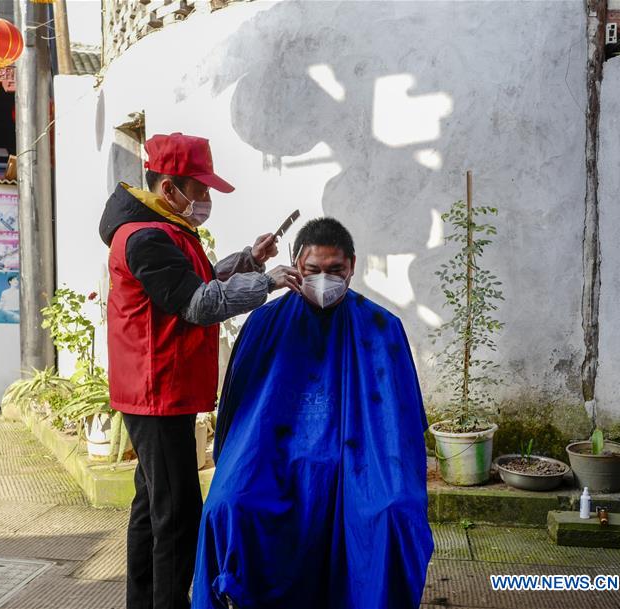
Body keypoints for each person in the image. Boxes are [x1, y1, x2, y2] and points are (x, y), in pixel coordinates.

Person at [98, 132, 303, 609]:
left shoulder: (162, 228)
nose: (206, 200)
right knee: (178, 513)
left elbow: (200, 276)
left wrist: (249, 260)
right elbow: (197, 302)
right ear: (169, 189)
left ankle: (144, 601)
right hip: (156, 391)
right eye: (200, 190)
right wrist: (266, 282)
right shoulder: (146, 238)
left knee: (152, 507)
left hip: (158, 388)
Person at [192, 218, 434, 609]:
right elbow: (240, 415)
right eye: (313, 271)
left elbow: (399, 427)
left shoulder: (382, 327)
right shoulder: (264, 323)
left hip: (361, 465)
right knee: (227, 506)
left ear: (352, 265)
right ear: (294, 266)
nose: (325, 280)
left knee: (395, 511)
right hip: (273, 462)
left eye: (335, 271)